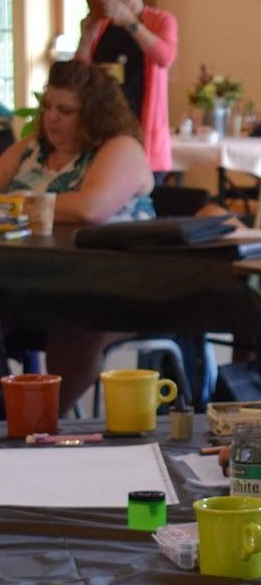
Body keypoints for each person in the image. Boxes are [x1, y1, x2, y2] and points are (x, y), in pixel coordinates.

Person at [0, 59, 155, 409]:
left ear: (95, 114)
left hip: (119, 286)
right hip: (34, 277)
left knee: (77, 325)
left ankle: (37, 422)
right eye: (48, 107)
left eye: (65, 110)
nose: (51, 118)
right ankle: (8, 416)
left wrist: (14, 204)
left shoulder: (120, 148)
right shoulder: (31, 149)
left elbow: (90, 209)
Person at [75, 0, 178, 179]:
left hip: (142, 130)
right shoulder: (102, 26)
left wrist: (129, 21)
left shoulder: (161, 20)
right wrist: (85, 37)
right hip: (103, 130)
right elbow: (78, 77)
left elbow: (165, 57)